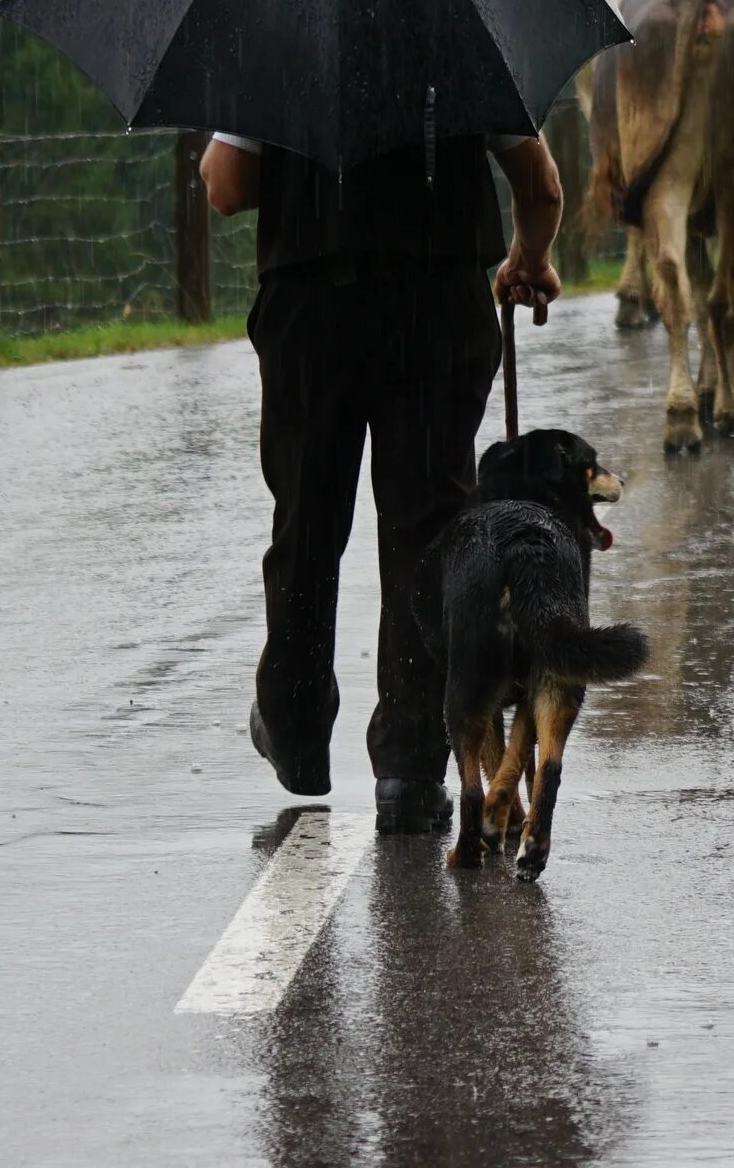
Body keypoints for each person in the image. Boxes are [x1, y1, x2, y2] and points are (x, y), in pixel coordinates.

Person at [200, 128, 563, 831]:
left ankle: (296, 727)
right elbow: (541, 184)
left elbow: (224, 185)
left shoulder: (279, 30)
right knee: (426, 534)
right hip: (438, 306)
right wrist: (530, 255)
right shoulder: (465, 25)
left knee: (307, 522)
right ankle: (409, 768)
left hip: (310, 307)